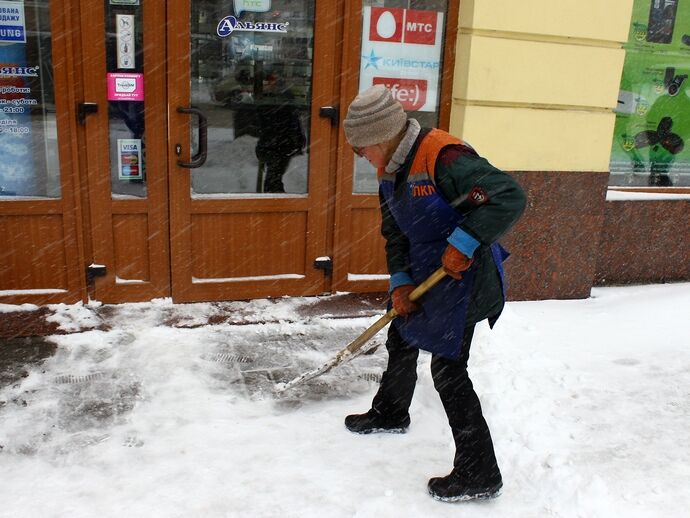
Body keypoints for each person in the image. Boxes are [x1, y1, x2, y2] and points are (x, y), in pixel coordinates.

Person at [342, 85, 526, 502]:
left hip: (465, 280)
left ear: (382, 136)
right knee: (400, 335)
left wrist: (463, 243)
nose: (361, 157)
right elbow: (394, 232)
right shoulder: (389, 169)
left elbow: (508, 197)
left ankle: (479, 473)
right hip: (426, 273)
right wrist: (401, 282)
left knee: (448, 371)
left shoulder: (445, 158)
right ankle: (391, 413)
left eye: (361, 149)